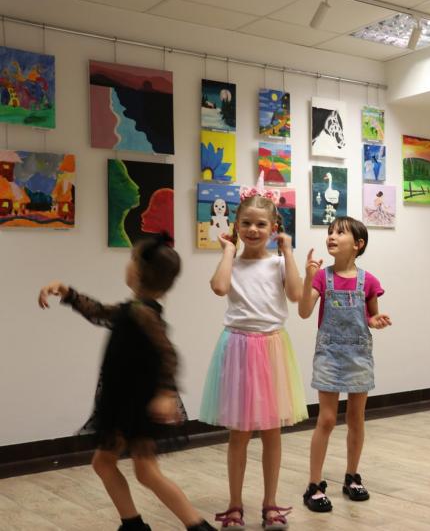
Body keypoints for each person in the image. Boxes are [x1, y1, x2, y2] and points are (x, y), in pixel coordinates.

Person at [37, 234, 215, 531]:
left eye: (131, 259)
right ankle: (133, 524)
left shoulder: (143, 313)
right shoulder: (133, 309)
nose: (128, 264)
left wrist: (166, 393)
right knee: (107, 463)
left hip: (137, 405)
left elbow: (167, 353)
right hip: (123, 401)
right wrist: (67, 293)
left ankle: (196, 525)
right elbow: (99, 312)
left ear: (138, 272)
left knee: (145, 472)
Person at [199, 189, 307, 530]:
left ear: (274, 227)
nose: (253, 230)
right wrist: (229, 251)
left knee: (272, 431)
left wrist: (288, 252)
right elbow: (219, 287)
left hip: (272, 348)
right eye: (246, 223)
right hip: (238, 348)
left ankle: (270, 504)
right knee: (239, 433)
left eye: (261, 224)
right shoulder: (232, 262)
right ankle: (234, 505)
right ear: (236, 225)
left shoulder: (279, 263)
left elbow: (296, 294)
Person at [298, 216, 391, 512]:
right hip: (329, 356)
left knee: (355, 418)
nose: (332, 236)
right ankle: (314, 485)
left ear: (358, 244)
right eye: (330, 232)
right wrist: (307, 276)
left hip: (358, 356)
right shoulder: (321, 278)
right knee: (326, 419)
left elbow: (370, 317)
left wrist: (375, 321)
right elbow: (303, 311)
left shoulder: (369, 281)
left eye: (340, 232)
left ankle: (352, 476)